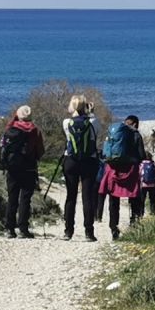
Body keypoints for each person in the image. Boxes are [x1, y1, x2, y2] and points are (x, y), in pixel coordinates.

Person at [98, 114, 146, 240]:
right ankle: (134, 224)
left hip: (114, 171)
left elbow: (106, 153)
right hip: (130, 171)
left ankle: (114, 228)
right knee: (134, 198)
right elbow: (142, 155)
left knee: (114, 200)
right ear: (135, 124)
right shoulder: (136, 134)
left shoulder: (115, 134)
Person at [0, 104, 45, 238]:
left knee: (12, 198)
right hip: (29, 168)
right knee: (25, 199)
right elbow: (40, 151)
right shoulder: (34, 130)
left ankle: (9, 228)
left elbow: (2, 146)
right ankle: (23, 229)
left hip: (12, 168)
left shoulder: (10, 128)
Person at [61, 96, 102, 241]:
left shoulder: (66, 122)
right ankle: (89, 232)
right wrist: (91, 113)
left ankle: (68, 231)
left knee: (70, 196)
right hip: (89, 161)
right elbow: (98, 134)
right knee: (88, 197)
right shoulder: (93, 122)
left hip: (70, 160)